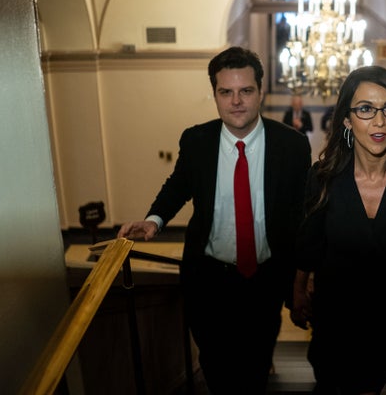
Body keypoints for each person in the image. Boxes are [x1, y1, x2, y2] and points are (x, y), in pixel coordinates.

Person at [117, 47, 311, 394]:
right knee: (216, 369)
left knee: (253, 373)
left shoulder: (292, 146)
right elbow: (178, 186)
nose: (236, 101)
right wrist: (155, 219)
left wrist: (300, 283)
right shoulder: (197, 140)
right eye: (226, 92)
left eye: (246, 91)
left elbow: (302, 216)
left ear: (260, 92)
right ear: (215, 94)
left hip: (263, 283)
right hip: (208, 281)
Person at [290, 66, 386, 394]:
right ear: (347, 119)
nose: (379, 121)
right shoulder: (323, 176)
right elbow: (309, 243)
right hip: (334, 317)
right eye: (365, 109)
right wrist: (299, 290)